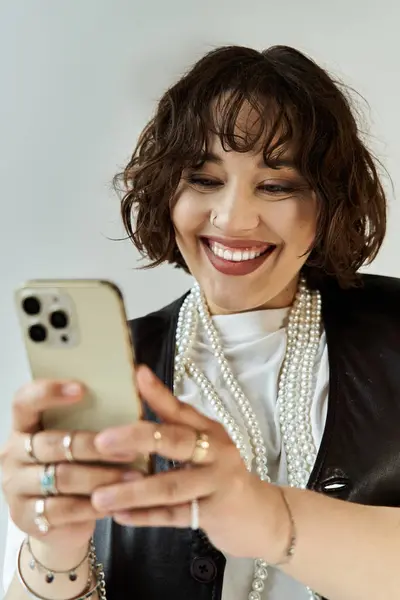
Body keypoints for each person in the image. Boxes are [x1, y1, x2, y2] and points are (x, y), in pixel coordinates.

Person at [2, 43, 400, 600]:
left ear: (328, 203)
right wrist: (55, 551)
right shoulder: (121, 365)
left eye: (277, 184)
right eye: (204, 179)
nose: (233, 218)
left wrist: (269, 519)